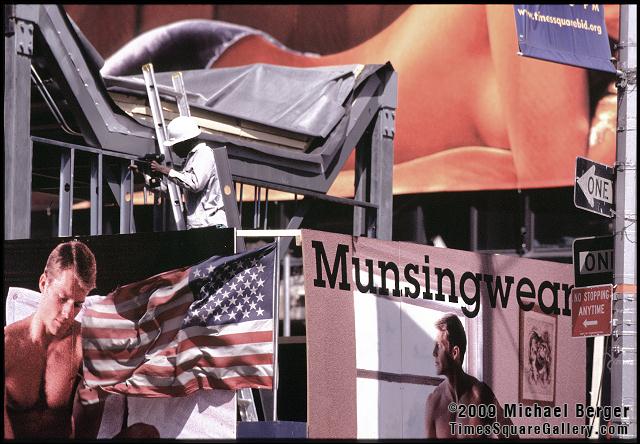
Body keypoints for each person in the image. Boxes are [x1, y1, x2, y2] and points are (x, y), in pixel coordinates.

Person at [101, 5, 619, 195]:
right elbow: (560, 193)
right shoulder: (553, 12)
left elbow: (552, 186)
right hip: (221, 80)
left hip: (290, 151)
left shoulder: (599, 65)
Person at [4, 241, 96, 439]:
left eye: (78, 304)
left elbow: (87, 430)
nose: (68, 314)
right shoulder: (8, 345)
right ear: (44, 283)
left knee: (144, 432)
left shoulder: (86, 347)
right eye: (62, 299)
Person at [425, 313, 515, 439]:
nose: (434, 353)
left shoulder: (480, 395)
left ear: (455, 352)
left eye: (439, 346)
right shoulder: (434, 402)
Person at [133, 115, 227, 230]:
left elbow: (195, 184)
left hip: (211, 225)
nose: (173, 149)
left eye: (175, 145)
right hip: (200, 226)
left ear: (185, 141)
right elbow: (171, 192)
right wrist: (144, 178)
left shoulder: (204, 154)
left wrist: (164, 170)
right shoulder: (191, 159)